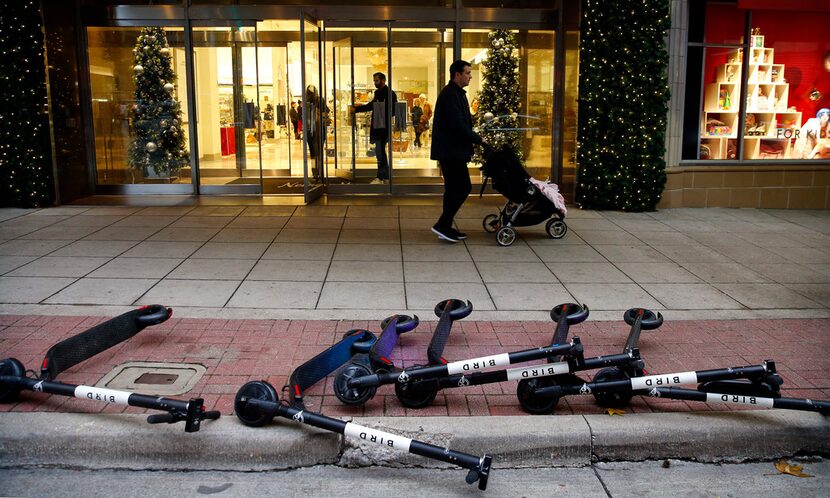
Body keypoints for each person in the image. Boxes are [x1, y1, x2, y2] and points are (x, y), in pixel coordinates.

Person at [430, 60, 483, 243]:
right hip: (450, 151)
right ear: (457, 74)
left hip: (452, 150)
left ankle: (445, 226)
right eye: (467, 73)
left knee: (453, 189)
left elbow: (461, 122)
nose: (470, 76)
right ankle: (442, 224)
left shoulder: (457, 94)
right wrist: (476, 138)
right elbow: (457, 125)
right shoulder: (451, 95)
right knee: (462, 187)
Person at [351, 72, 397, 184]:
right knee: (380, 152)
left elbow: (393, 110)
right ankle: (385, 177)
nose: (375, 83)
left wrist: (382, 115)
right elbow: (371, 106)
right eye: (374, 80)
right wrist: (357, 109)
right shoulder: (378, 93)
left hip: (382, 128)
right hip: (378, 127)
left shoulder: (389, 94)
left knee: (380, 153)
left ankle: (381, 177)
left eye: (377, 80)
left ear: (383, 80)